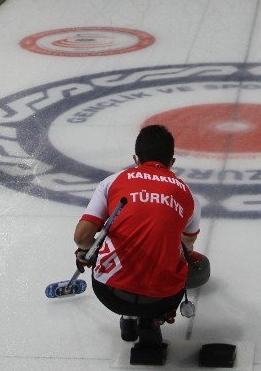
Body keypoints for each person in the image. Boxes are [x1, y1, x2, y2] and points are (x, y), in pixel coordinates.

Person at [73, 125, 204, 349]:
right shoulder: (187, 194)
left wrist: (87, 252)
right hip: (163, 297)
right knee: (198, 263)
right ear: (172, 162)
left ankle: (129, 317)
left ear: (136, 158)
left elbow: (82, 236)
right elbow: (187, 245)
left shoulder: (113, 182)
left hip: (110, 293)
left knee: (107, 244)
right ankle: (152, 318)